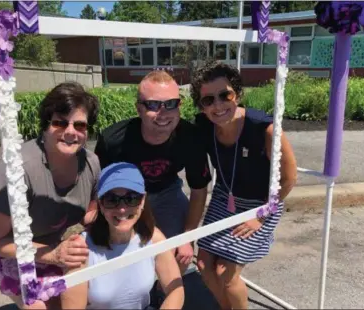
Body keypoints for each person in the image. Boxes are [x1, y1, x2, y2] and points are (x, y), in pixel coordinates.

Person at [0, 82, 101, 309]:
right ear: (45, 126)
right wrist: (53, 255)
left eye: (80, 125)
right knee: (37, 304)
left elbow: (90, 212)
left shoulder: (91, 164)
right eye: (60, 122)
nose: (70, 131)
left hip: (42, 238)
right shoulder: (18, 170)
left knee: (75, 290)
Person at [191, 61, 298, 309]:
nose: (217, 105)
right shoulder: (203, 127)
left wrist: (260, 216)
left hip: (262, 204)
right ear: (201, 105)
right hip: (224, 196)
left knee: (225, 273)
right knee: (204, 265)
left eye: (224, 95)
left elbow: (289, 178)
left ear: (236, 94)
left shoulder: (265, 129)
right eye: (208, 100)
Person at [94, 70, 212, 275]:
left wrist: (187, 238)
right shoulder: (113, 141)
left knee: (180, 255)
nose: (163, 113)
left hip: (167, 191)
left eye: (171, 104)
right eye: (153, 105)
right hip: (125, 197)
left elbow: (199, 189)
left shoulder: (191, 137)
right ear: (139, 108)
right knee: (120, 255)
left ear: (179, 106)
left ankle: (164, 296)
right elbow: (99, 188)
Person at [61, 162, 185, 309]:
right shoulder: (81, 250)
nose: (121, 209)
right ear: (100, 205)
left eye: (131, 198)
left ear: (143, 201)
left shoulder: (153, 238)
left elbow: (176, 290)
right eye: (111, 200)